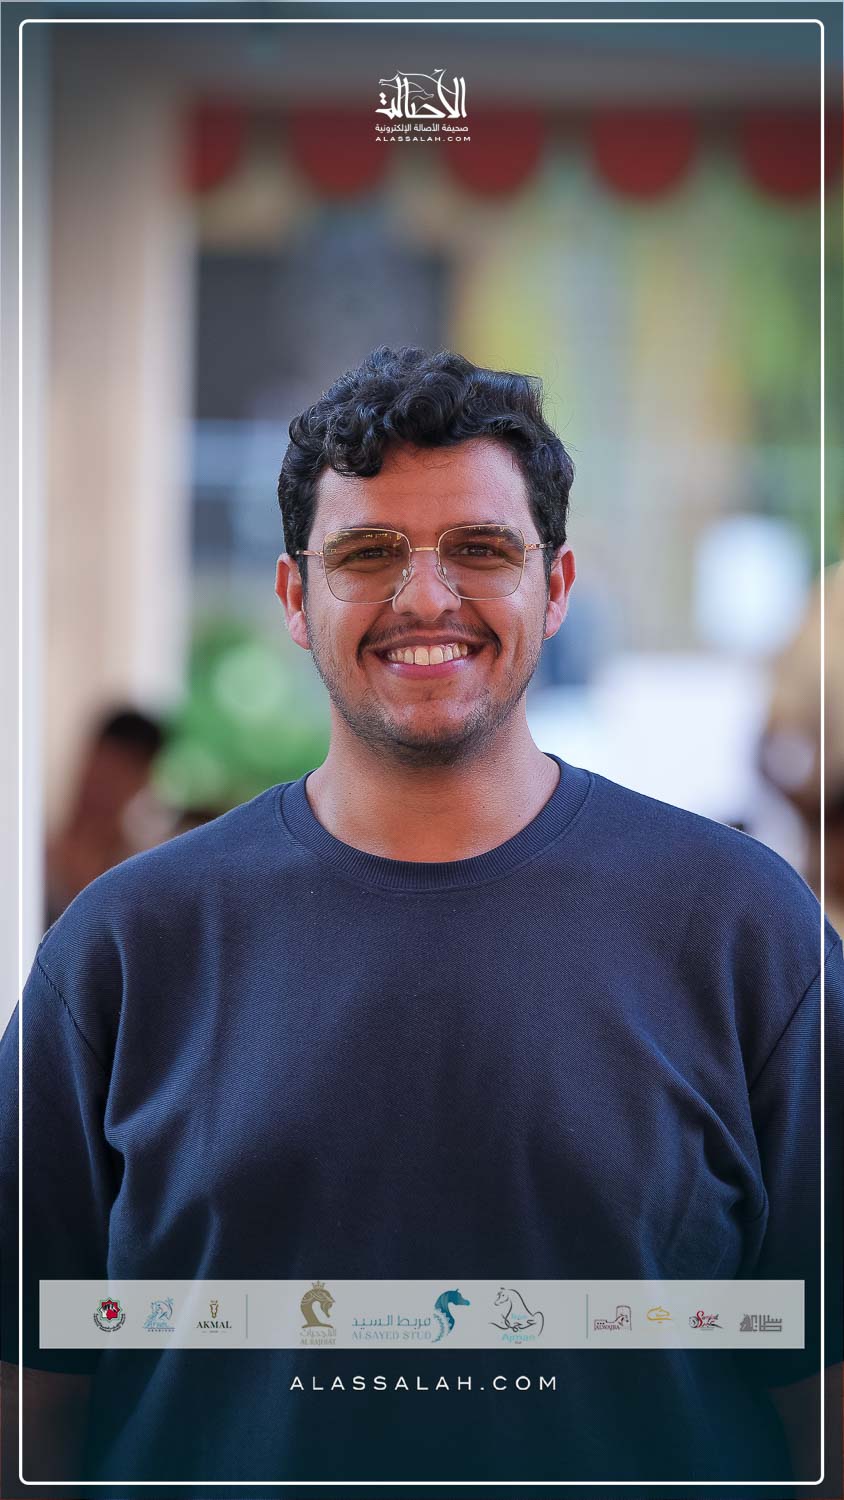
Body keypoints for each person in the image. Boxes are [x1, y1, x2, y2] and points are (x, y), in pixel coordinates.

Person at [0, 346, 840, 1498]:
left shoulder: (745, 932)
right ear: (295, 598)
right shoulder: (125, 949)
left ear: (556, 586)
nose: (428, 598)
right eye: (368, 554)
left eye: (481, 550)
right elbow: (26, 1406)